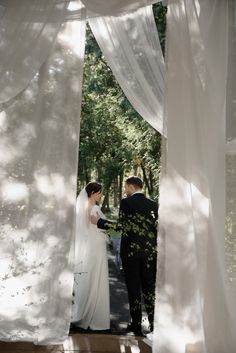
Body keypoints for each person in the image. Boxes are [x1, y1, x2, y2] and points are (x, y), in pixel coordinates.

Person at [91, 176, 158, 335]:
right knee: (149, 288)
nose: (125, 190)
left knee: (134, 288)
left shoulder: (126, 203)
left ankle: (136, 325)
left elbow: (122, 226)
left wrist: (100, 222)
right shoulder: (154, 204)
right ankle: (154, 324)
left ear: (131, 187)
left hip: (131, 254)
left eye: (126, 187)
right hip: (150, 253)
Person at [71, 182, 110, 331]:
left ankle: (87, 312)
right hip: (96, 248)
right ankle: (93, 316)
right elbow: (96, 228)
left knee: (91, 277)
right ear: (93, 192)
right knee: (96, 277)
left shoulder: (84, 207)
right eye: (99, 193)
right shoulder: (93, 208)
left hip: (91, 247)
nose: (101, 195)